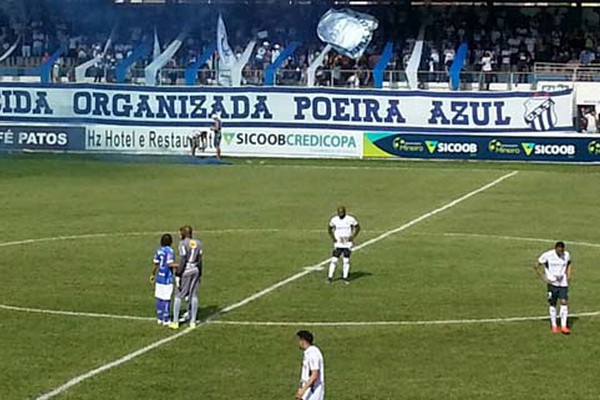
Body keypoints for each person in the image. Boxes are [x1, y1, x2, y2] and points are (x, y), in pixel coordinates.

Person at [170, 225, 203, 330]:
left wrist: (179, 272)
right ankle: (193, 321)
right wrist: (200, 272)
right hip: (195, 270)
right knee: (194, 295)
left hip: (186, 270)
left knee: (179, 295)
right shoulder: (198, 243)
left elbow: (183, 259)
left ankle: (175, 321)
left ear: (184, 234)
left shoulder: (182, 244)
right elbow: (200, 260)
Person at [535, 241, 572, 335]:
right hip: (552, 283)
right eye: (559, 251)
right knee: (553, 303)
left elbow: (569, 263)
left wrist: (568, 275)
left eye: (562, 251)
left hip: (563, 283)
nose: (561, 253)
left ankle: (564, 326)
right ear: (555, 249)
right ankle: (554, 325)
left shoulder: (566, 255)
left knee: (564, 302)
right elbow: (536, 265)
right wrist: (543, 278)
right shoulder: (548, 255)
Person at [327, 206, 360, 284]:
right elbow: (329, 229)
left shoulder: (350, 219)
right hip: (338, 243)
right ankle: (330, 277)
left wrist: (352, 237)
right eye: (339, 212)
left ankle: (345, 278)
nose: (340, 214)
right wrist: (333, 238)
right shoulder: (334, 220)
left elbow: (358, 227)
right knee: (334, 260)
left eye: (342, 212)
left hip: (347, 243)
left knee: (346, 260)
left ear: (345, 212)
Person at [151, 233, 178, 326]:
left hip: (159, 277)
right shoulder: (170, 251)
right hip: (167, 277)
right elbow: (170, 264)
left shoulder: (159, 250)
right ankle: (166, 319)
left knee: (159, 297)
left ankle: (159, 317)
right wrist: (180, 265)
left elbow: (155, 264)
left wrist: (153, 274)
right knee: (166, 298)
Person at [296, 330, 325, 400]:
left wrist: (303, 390)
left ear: (303, 341)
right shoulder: (308, 353)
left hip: (313, 391)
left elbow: (314, 374)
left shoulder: (313, 353)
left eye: (300, 340)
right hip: (308, 390)